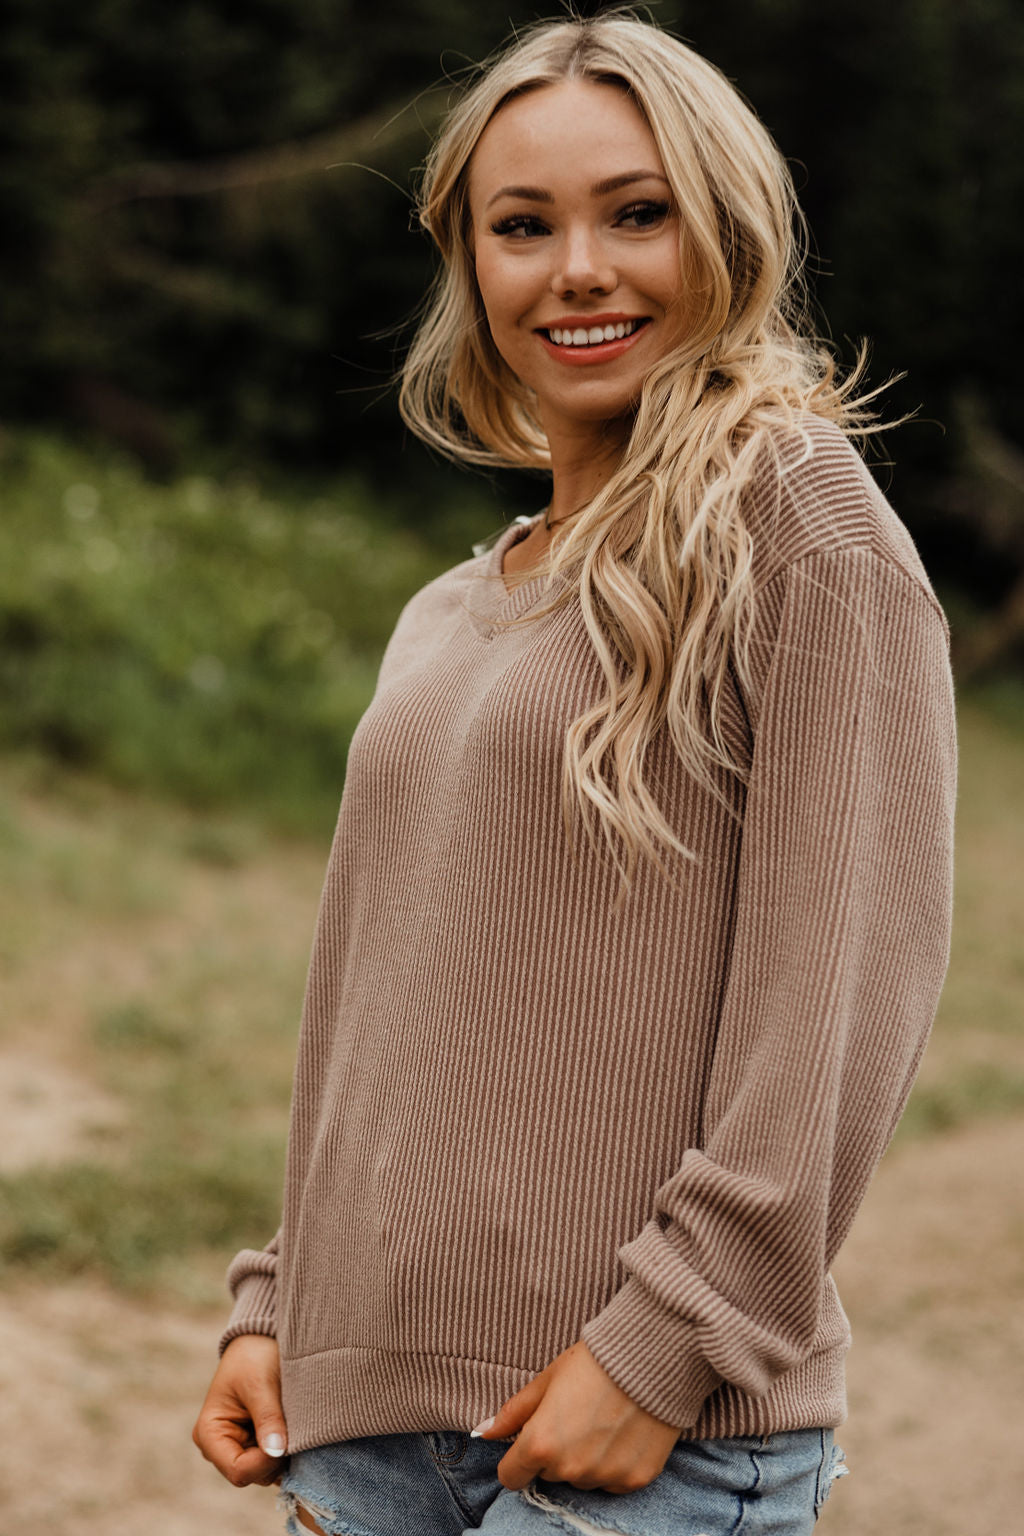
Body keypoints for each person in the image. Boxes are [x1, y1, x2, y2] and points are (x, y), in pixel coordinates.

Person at [193, 12, 956, 1535]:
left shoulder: (796, 516)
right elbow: (372, 1001)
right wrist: (281, 1297)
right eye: (523, 226)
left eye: (637, 213)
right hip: (365, 1431)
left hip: (643, 1439)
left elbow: (841, 986)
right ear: (469, 262)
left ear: (724, 227)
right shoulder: (451, 609)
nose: (580, 270)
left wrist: (667, 1343)